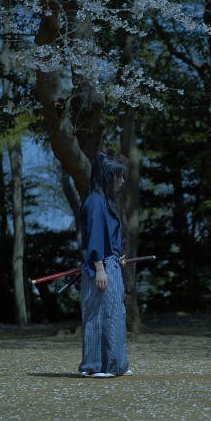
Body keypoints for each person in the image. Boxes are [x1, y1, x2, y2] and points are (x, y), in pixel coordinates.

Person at [78, 151, 132, 378]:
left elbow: (110, 239)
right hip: (100, 267)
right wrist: (99, 268)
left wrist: (117, 257)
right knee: (99, 315)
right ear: (106, 177)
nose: (122, 181)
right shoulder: (95, 201)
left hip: (110, 265)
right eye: (118, 176)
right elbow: (95, 238)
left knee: (115, 314)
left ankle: (116, 364)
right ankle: (97, 366)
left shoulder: (105, 202)